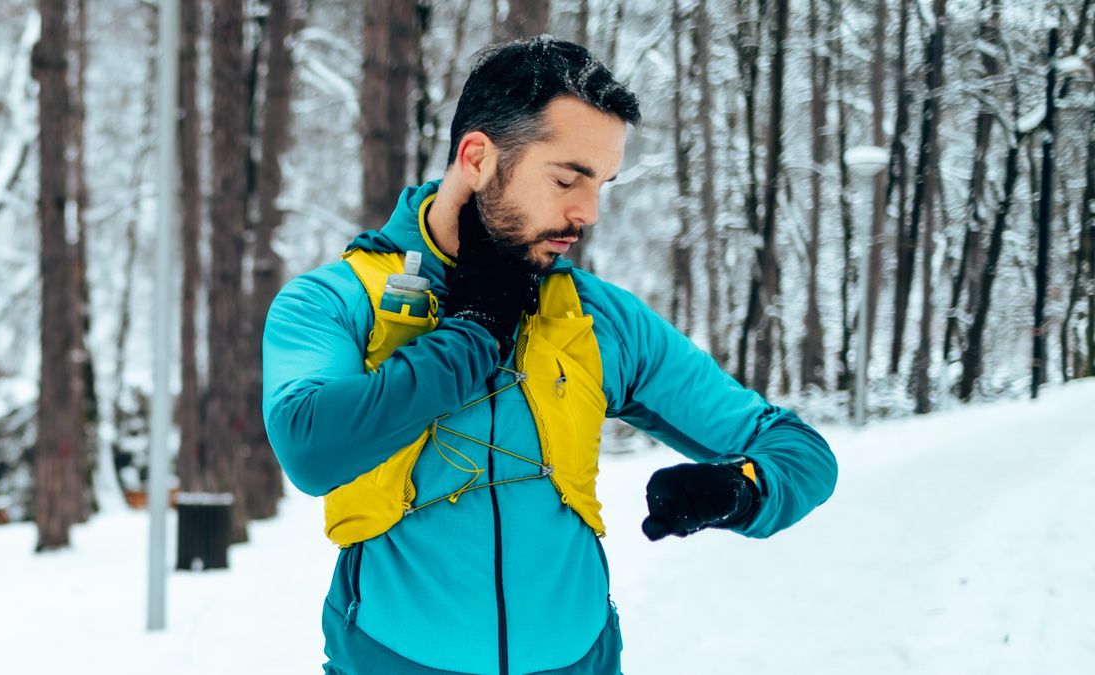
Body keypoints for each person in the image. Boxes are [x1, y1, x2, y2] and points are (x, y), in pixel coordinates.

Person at [262, 36, 836, 675]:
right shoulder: (336, 300)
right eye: (567, 178)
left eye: (601, 185)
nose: (586, 212)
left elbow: (798, 450)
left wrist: (739, 488)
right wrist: (473, 334)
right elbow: (311, 447)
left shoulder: (598, 319)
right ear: (477, 157)